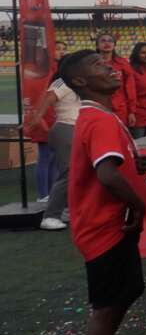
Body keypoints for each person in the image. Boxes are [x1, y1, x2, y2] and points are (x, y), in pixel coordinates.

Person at [59, 50, 146, 335]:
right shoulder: (100, 119)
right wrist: (139, 205)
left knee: (126, 292)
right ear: (79, 80)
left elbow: (108, 165)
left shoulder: (100, 115)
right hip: (105, 230)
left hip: (105, 226)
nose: (109, 66)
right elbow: (107, 175)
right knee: (107, 310)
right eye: (98, 65)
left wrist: (135, 162)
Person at [24, 53, 83, 230]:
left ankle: (67, 210)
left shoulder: (79, 83)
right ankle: (50, 216)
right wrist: (37, 118)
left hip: (78, 129)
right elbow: (49, 97)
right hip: (66, 128)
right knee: (68, 173)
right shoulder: (62, 82)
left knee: (76, 173)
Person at [95, 32, 137, 127]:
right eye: (103, 41)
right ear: (97, 46)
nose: (107, 43)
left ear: (114, 45)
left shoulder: (123, 64)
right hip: (98, 107)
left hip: (120, 109)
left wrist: (132, 112)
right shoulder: (91, 64)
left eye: (110, 41)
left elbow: (130, 88)